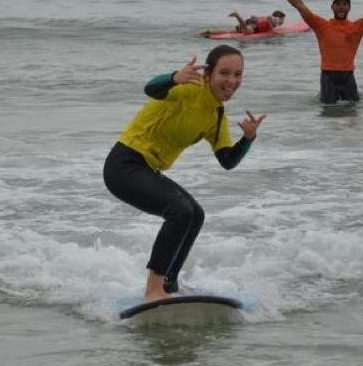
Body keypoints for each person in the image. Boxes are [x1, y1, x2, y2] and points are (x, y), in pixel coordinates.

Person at [104, 45, 266, 301]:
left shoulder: (216, 115)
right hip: (124, 164)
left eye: (238, 74)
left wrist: (248, 138)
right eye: (225, 73)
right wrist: (172, 78)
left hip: (148, 169)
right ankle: (153, 290)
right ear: (208, 74)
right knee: (180, 212)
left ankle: (168, 284)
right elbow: (150, 89)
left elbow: (227, 160)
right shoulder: (188, 89)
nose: (232, 81)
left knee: (195, 214)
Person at [200, 10, 287, 37]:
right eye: (283, 19)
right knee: (246, 32)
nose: (283, 21)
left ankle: (209, 33)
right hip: (255, 25)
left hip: (253, 22)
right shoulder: (275, 19)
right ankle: (237, 16)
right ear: (280, 17)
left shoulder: (275, 20)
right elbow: (269, 18)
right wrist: (273, 30)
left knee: (229, 32)